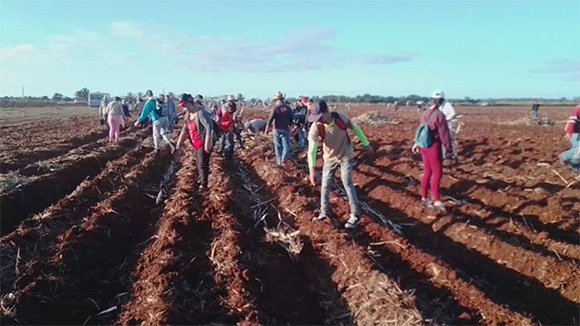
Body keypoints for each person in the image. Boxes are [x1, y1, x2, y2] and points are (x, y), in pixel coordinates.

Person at [307, 100, 373, 228]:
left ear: (327, 112)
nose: (318, 120)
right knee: (325, 185)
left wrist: (366, 144)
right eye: (315, 118)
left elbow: (356, 128)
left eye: (320, 117)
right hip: (329, 158)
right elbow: (312, 149)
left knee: (347, 182)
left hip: (345, 154)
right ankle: (324, 212)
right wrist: (312, 170)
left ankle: (355, 214)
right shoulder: (316, 127)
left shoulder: (341, 118)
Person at [412, 93, 453, 213]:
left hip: (424, 146)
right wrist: (449, 149)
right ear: (441, 101)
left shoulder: (424, 113)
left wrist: (416, 143)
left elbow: (420, 129)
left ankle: (424, 197)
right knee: (437, 172)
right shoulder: (440, 115)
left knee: (427, 171)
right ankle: (437, 200)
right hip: (434, 146)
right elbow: (444, 134)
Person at [176, 94, 216, 190]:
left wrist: (207, 143)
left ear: (190, 103)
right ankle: (201, 178)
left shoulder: (200, 113)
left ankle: (204, 185)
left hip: (203, 141)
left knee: (202, 163)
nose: (184, 108)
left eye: (185, 106)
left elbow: (209, 127)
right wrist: (179, 142)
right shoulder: (187, 115)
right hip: (195, 142)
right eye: (183, 106)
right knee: (198, 162)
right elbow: (185, 130)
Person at [264, 91, 293, 165]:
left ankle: (279, 161)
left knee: (278, 146)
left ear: (276, 100)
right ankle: (284, 158)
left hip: (276, 129)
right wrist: (290, 126)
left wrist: (266, 130)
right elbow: (291, 119)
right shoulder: (288, 108)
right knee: (286, 145)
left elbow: (270, 120)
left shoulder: (275, 108)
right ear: (282, 99)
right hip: (285, 129)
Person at [432, 90, 458, 161]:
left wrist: (445, 119)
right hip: (441, 124)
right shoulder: (438, 105)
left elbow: (453, 113)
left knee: (449, 139)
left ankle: (453, 154)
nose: (435, 100)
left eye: (437, 99)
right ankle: (443, 154)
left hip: (449, 123)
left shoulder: (447, 105)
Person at [560, 104, 580, 172]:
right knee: (578, 150)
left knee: (576, 149)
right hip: (576, 133)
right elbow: (572, 121)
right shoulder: (578, 109)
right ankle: (572, 163)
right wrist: (569, 133)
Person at [217, 95, 237, 159]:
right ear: (228, 101)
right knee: (222, 142)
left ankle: (228, 157)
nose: (232, 103)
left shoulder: (233, 108)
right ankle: (221, 154)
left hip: (229, 128)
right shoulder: (221, 108)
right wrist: (218, 126)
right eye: (231, 101)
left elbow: (233, 118)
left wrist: (234, 123)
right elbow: (217, 118)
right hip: (222, 127)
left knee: (230, 143)